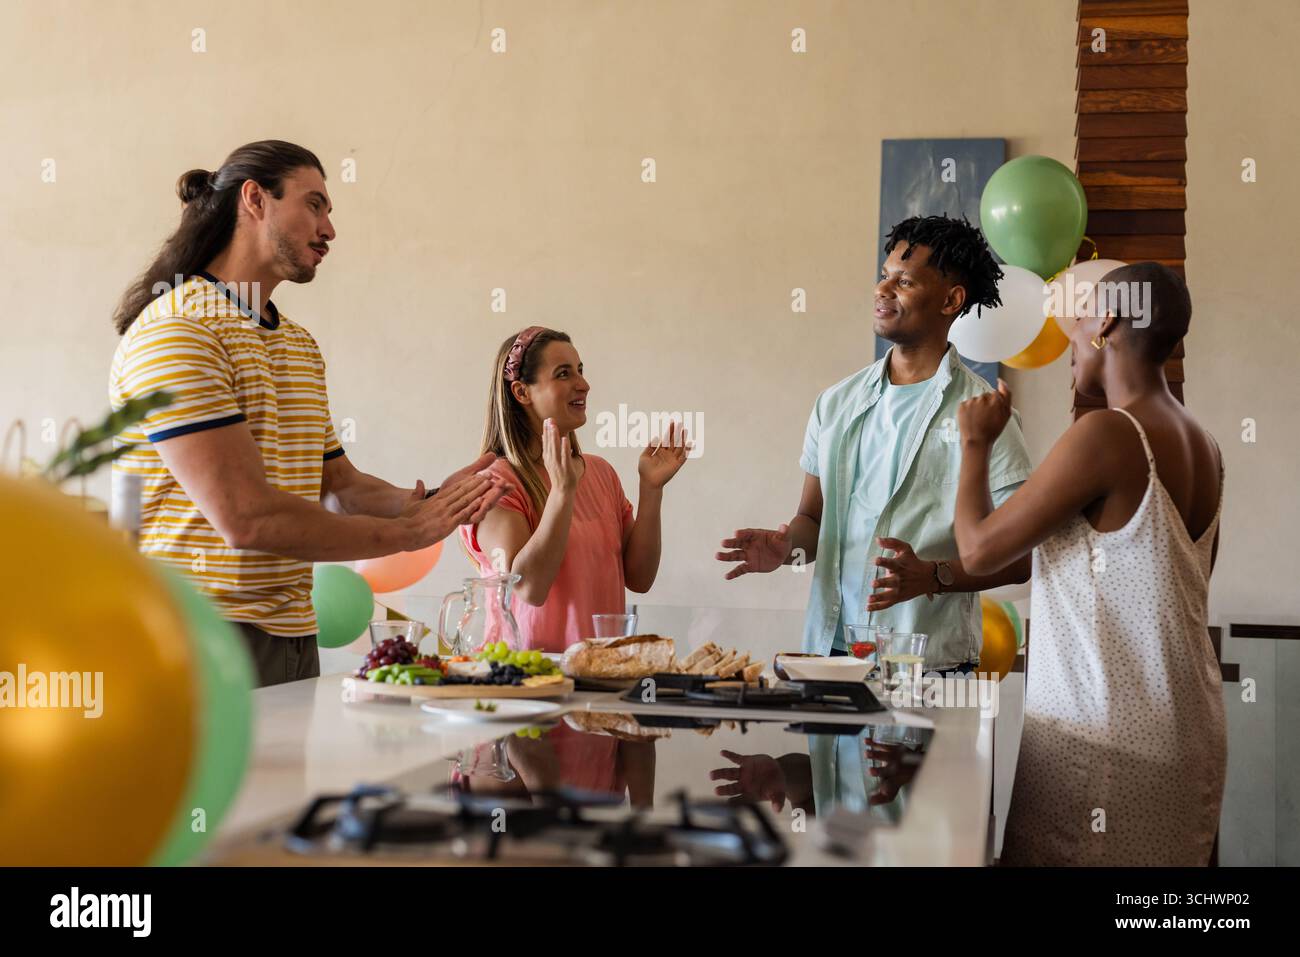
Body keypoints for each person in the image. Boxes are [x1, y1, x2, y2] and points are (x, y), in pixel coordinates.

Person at [110, 140, 507, 686]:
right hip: (199, 636)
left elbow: (337, 486)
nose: (329, 229)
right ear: (255, 199)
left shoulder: (297, 344)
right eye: (314, 205)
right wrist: (407, 535)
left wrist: (435, 500)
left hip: (293, 636)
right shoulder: (179, 330)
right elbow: (246, 518)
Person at [954, 262, 1225, 866]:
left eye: (1080, 318)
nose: (1071, 338)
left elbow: (976, 550)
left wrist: (975, 444)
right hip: (1187, 735)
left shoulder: (1107, 434)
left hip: (1104, 744)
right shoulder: (1204, 445)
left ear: (1106, 320)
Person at [717, 215, 1033, 673]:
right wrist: (787, 550)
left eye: (903, 281)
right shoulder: (836, 402)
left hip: (927, 666)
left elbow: (1021, 558)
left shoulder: (984, 414)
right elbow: (812, 518)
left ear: (951, 300)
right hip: (828, 655)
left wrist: (933, 576)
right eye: (884, 276)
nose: (882, 290)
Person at [460, 326, 690, 652]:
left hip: (600, 678)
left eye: (580, 371)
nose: (583, 384)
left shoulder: (601, 473)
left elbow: (639, 578)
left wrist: (650, 490)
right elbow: (529, 588)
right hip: (525, 685)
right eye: (563, 374)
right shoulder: (494, 486)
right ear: (522, 392)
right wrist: (561, 492)